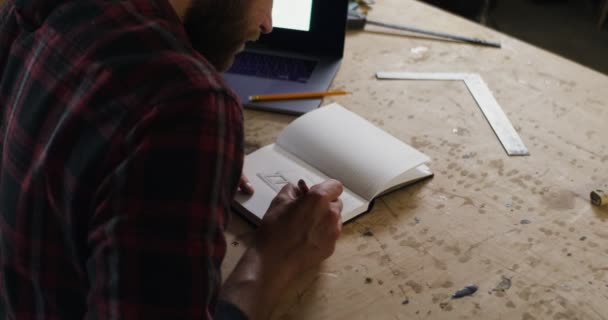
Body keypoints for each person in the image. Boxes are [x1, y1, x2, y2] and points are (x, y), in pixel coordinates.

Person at [0, 0, 344, 319]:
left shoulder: (35, 9)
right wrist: (272, 259)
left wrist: (168, 163)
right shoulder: (182, 101)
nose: (268, 24)